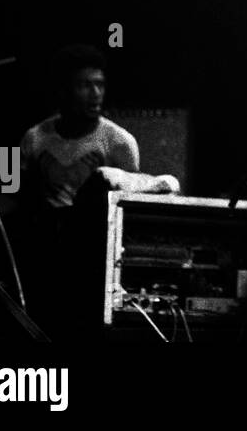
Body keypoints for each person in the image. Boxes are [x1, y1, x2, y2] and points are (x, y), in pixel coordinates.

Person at [12, 43, 177, 338]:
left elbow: (132, 207)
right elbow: (19, 198)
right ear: (63, 90)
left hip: (94, 263)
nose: (95, 93)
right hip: (45, 259)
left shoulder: (118, 142)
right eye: (84, 85)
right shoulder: (36, 138)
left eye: (100, 85)